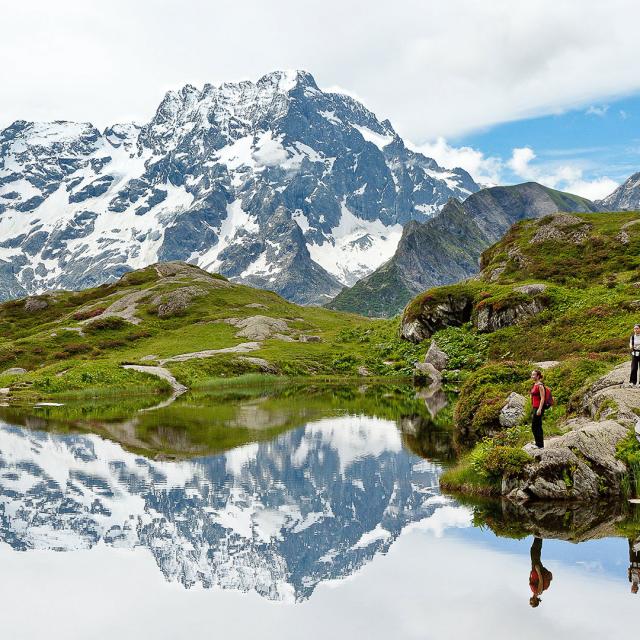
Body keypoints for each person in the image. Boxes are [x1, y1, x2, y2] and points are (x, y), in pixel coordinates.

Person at [529, 536, 553, 607]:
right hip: (537, 570)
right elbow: (541, 581)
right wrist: (538, 570)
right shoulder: (538, 592)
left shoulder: (536, 592)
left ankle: (538, 537)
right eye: (532, 603)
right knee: (534, 552)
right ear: (536, 601)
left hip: (534, 569)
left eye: (530, 603)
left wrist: (531, 574)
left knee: (534, 552)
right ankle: (539, 536)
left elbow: (532, 581)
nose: (530, 602)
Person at [530, 369, 546, 448]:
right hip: (534, 407)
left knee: (536, 426)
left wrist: (540, 409)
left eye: (534, 375)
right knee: (535, 426)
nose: (532, 376)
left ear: (538, 376)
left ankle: (540, 445)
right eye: (532, 375)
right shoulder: (535, 384)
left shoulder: (540, 385)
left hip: (539, 408)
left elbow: (542, 398)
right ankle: (538, 443)